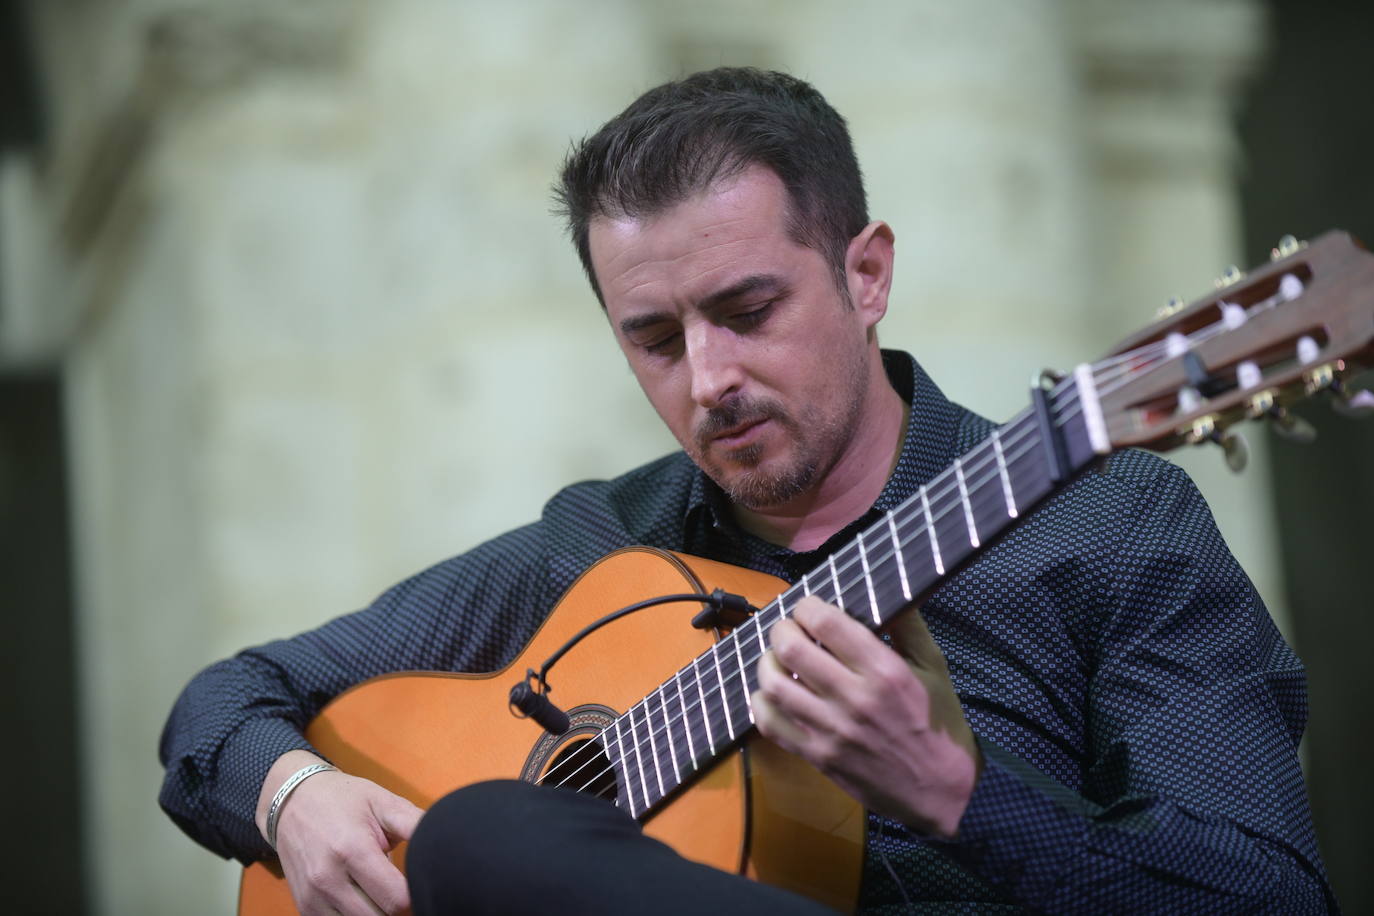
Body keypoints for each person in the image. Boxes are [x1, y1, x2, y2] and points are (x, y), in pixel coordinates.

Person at [160, 68, 1334, 914]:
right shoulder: (599, 545)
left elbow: (1266, 896)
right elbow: (228, 701)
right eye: (655, 337)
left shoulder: (1108, 525)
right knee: (486, 835)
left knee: (480, 836)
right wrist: (296, 800)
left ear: (865, 272)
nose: (710, 377)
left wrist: (951, 789)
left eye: (748, 310)